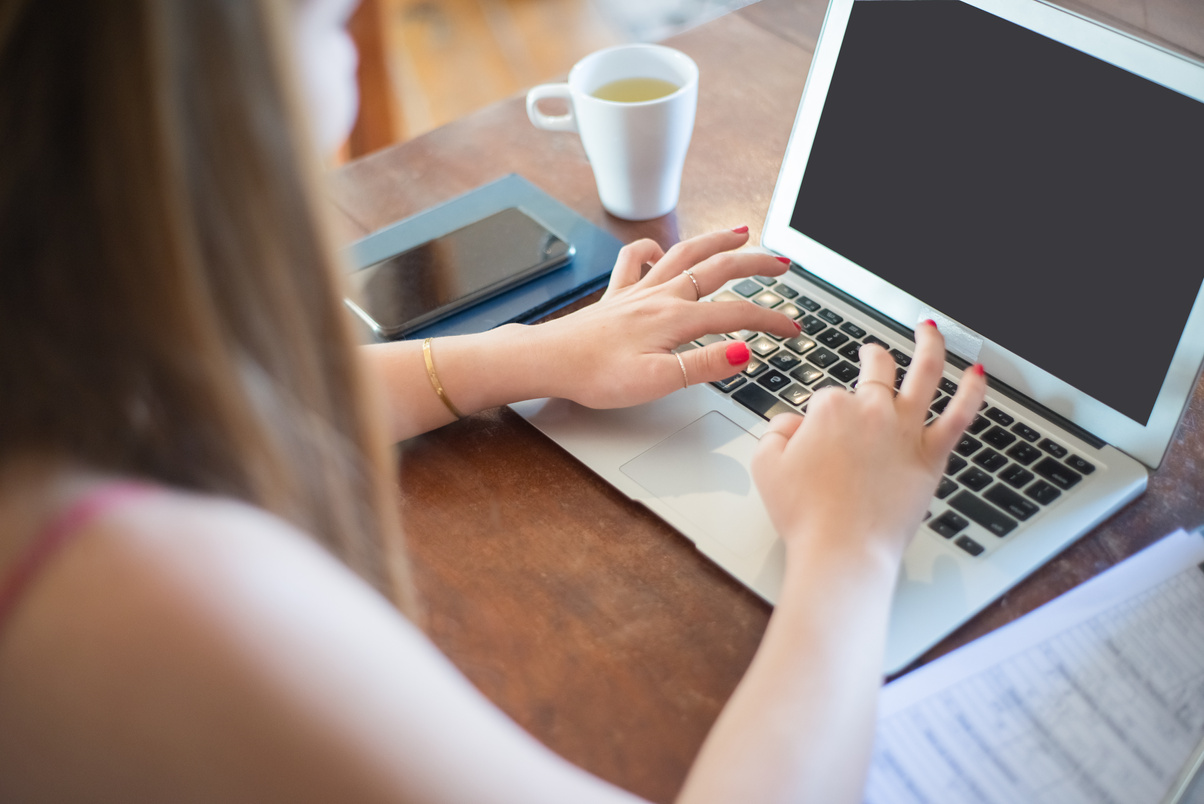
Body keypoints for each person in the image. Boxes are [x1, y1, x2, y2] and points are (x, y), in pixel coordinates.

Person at [0, 0, 986, 801]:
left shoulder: (54, 352)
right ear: (183, 92)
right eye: (325, 17)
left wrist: (531, 355)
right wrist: (847, 550)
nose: (350, 59)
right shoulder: (152, 595)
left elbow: (200, 402)